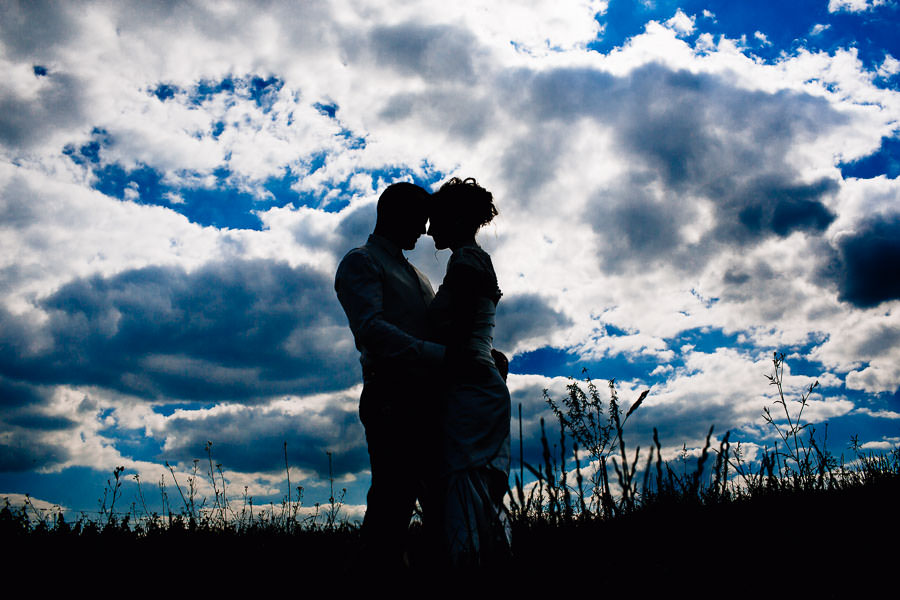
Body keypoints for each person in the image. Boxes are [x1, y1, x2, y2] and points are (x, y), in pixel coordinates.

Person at [334, 182, 445, 569]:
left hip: (432, 403)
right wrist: (438, 355)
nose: (426, 229)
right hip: (391, 400)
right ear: (395, 214)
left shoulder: (419, 277)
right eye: (420, 219)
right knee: (392, 503)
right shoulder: (361, 262)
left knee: (441, 506)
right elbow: (370, 329)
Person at [426, 177, 512, 567]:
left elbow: (457, 334)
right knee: (473, 480)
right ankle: (485, 564)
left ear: (458, 219)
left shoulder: (464, 262)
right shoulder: (476, 260)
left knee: (463, 477)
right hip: (480, 381)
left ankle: (469, 566)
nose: (429, 230)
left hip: (468, 384)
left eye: (437, 220)